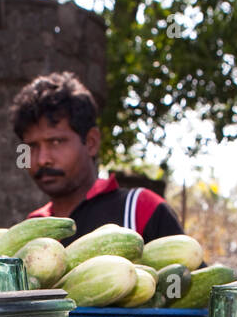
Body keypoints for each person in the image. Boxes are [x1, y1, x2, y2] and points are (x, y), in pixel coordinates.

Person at [10, 72, 185, 245]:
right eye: (32, 146)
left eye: (56, 142)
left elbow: (184, 272)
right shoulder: (30, 230)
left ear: (91, 142)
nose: (42, 159)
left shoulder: (140, 209)